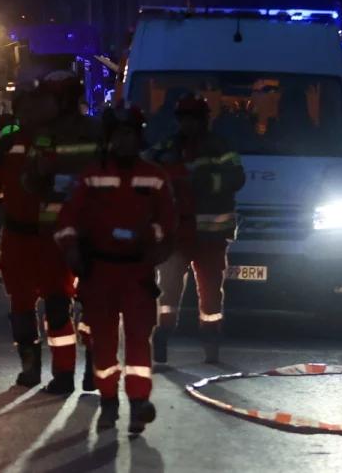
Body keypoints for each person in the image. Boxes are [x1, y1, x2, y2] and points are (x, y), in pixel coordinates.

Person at [0, 71, 96, 394]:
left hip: (55, 239)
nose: (30, 112)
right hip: (18, 239)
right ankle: (30, 367)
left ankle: (64, 373)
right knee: (21, 308)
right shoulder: (9, 144)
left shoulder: (67, 140)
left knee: (57, 305)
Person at [54, 105, 176, 434]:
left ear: (139, 137)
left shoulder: (155, 176)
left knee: (139, 339)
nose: (125, 142)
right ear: (110, 139)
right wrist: (72, 251)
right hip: (100, 271)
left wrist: (157, 248)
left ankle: (139, 403)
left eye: (131, 135)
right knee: (104, 343)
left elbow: (168, 222)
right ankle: (109, 403)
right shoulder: (92, 175)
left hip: (137, 273)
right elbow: (67, 219)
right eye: (119, 135)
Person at [146, 92, 244, 365]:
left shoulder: (220, 147)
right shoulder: (166, 148)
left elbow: (237, 177)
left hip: (211, 237)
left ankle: (211, 345)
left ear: (203, 120)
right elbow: (144, 167)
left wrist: (201, 183)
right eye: (184, 119)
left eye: (193, 119)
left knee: (211, 295)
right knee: (168, 293)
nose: (188, 124)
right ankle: (162, 337)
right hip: (177, 236)